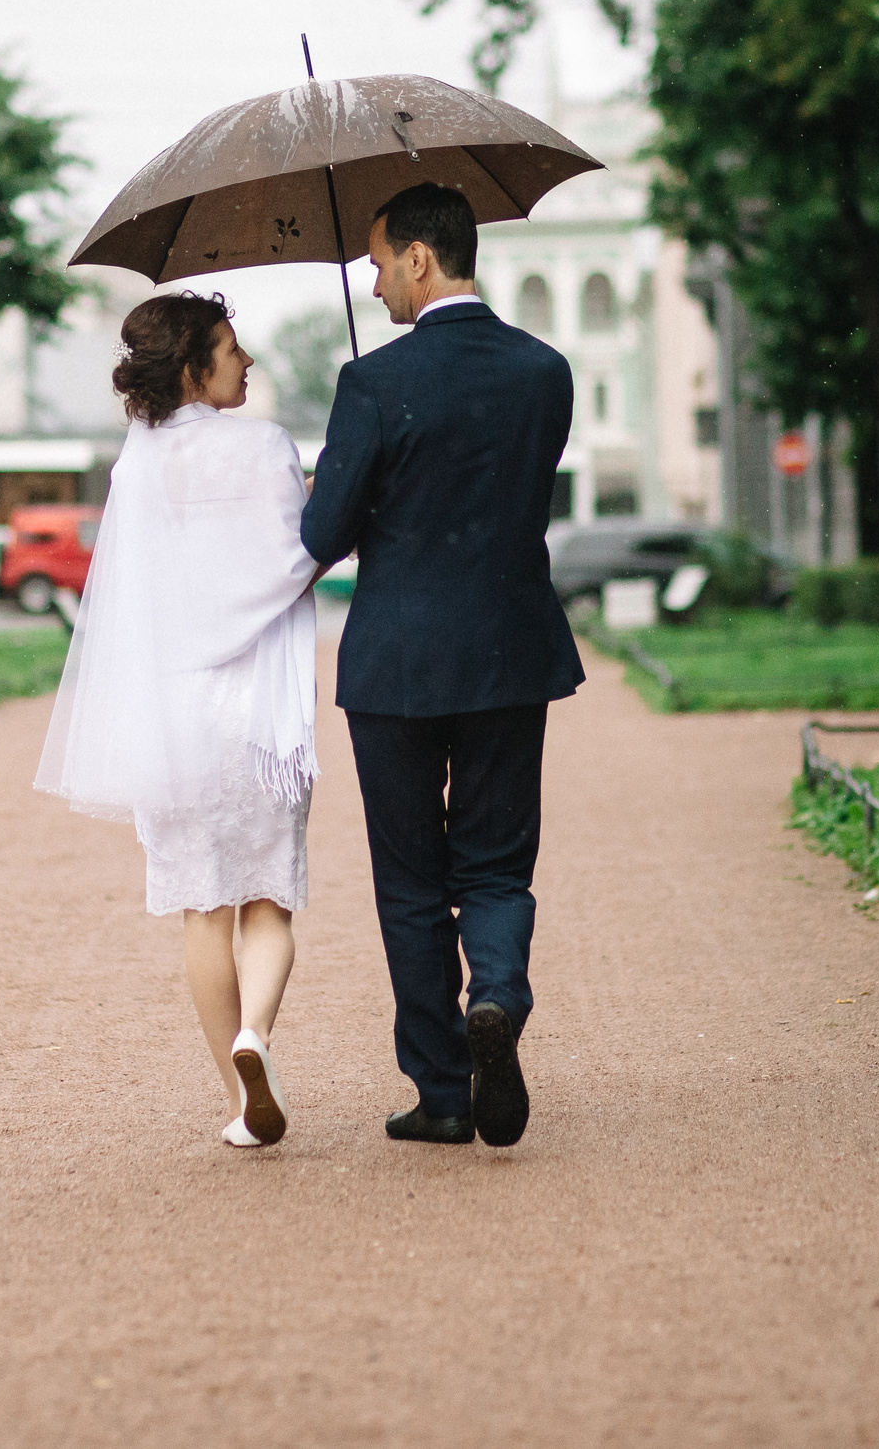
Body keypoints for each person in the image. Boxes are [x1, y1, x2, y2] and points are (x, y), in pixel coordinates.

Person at [300, 182, 582, 1148]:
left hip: (398, 666)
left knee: (412, 880)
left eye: (378, 262)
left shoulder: (372, 384)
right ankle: (496, 992)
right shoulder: (546, 371)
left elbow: (323, 533)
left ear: (421, 257)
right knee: (498, 863)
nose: (373, 284)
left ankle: (444, 1089)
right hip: (510, 650)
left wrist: (352, 478)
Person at [34, 292, 319, 1148]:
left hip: (175, 716)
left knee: (205, 909)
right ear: (195, 367)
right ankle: (255, 1034)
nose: (248, 362)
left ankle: (238, 1103)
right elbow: (296, 560)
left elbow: (134, 596)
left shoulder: (137, 467)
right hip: (262, 716)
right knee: (271, 898)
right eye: (231, 349)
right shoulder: (266, 445)